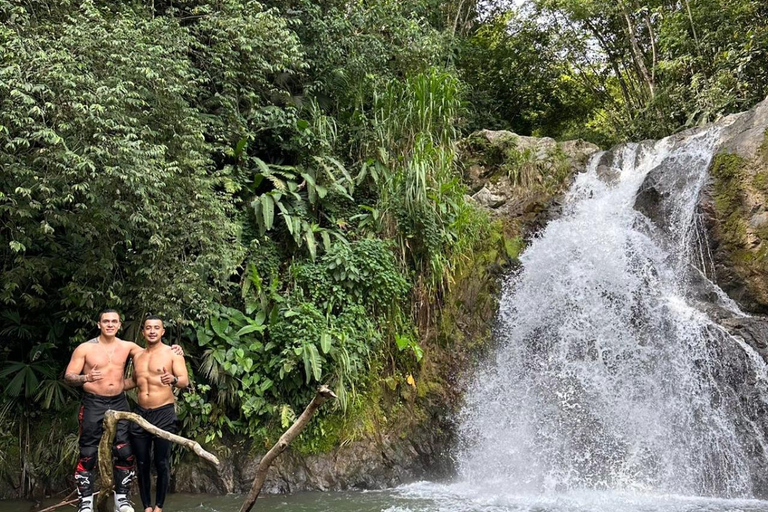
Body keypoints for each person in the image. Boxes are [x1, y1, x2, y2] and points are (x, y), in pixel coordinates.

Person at [64, 310, 182, 512]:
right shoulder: (85, 348)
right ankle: (85, 503)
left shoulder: (128, 347)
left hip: (119, 401)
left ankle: (122, 500)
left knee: (125, 451)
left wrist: (175, 350)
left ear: (119, 325)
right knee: (88, 451)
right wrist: (86, 378)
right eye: (106, 321)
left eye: (114, 322)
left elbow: (152, 351)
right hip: (93, 402)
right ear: (99, 324)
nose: (110, 325)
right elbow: (69, 376)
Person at [123, 316, 188, 512]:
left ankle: (159, 506)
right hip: (141, 414)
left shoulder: (172, 353)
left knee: (161, 461)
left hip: (163, 412)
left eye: (156, 328)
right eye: (148, 328)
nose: (152, 331)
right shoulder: (138, 356)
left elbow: (184, 381)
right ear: (143, 332)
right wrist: (105, 385)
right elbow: (132, 381)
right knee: (142, 462)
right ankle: (147, 507)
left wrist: (173, 378)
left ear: (162, 332)